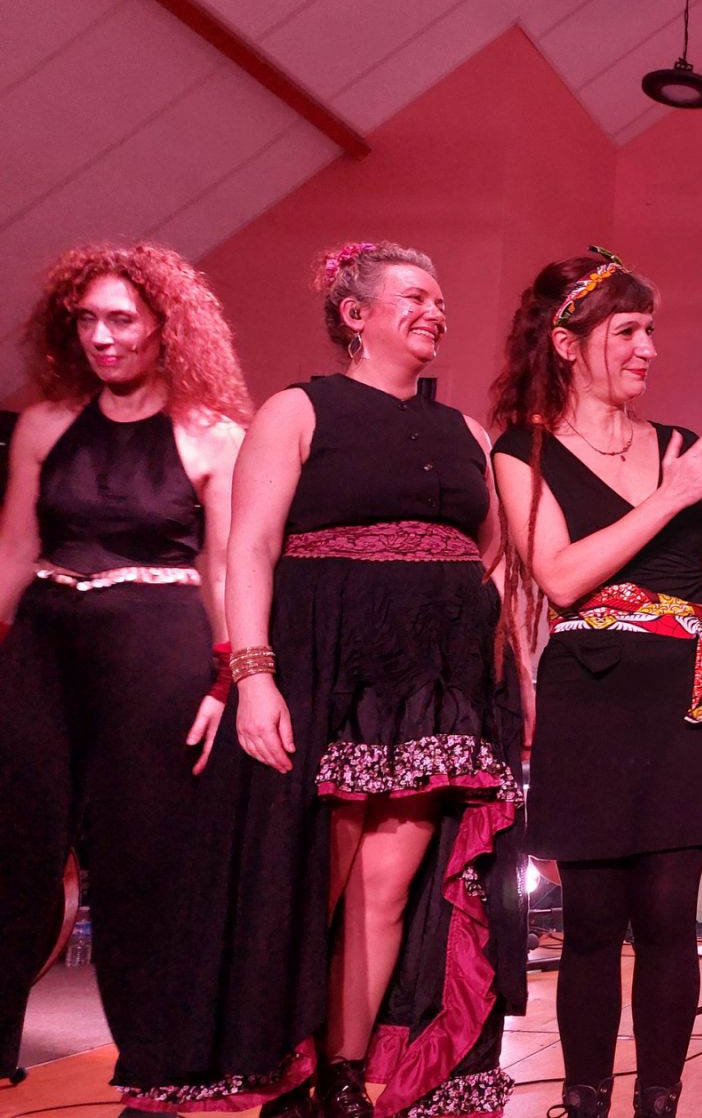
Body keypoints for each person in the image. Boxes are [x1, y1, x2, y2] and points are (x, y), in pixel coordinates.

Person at [132, 242, 525, 1118]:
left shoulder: (465, 430)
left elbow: (492, 547)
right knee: (315, 879)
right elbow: (250, 546)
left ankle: (343, 1073)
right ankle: (282, 1060)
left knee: (391, 885)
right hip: (329, 665)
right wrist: (254, 675)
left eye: (439, 300)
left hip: (435, 681)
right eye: (414, 297)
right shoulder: (297, 410)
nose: (434, 312)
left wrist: (465, 611)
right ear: (355, 314)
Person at [490, 251, 702, 1118]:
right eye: (627, 331)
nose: (648, 348)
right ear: (567, 343)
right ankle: (586, 1097)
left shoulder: (680, 447)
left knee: (667, 917)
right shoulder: (524, 450)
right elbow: (559, 574)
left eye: (650, 331)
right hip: (590, 696)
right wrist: (673, 495)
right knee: (590, 920)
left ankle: (660, 1098)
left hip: (682, 699)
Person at [0, 243, 247, 1092]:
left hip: (157, 652)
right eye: (87, 320)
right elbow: (14, 551)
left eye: (120, 320)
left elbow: (226, 571)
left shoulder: (213, 436)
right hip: (44, 647)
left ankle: (156, 1064)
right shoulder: (45, 424)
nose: (101, 337)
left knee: (141, 863)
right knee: (14, 849)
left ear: (165, 328)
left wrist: (230, 678)